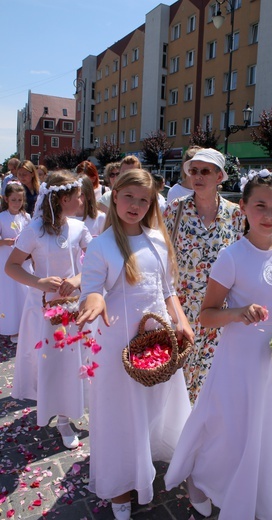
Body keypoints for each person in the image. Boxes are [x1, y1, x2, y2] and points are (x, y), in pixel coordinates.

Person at [165, 168, 272, 520]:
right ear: (243, 207)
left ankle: (259, 486)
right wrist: (238, 312)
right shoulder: (231, 256)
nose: (269, 215)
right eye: (260, 206)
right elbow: (206, 315)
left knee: (266, 424)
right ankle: (204, 476)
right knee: (231, 425)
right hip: (238, 356)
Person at [76, 169, 194, 520]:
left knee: (155, 407)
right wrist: (95, 300)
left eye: (144, 200)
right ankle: (119, 486)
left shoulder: (157, 239)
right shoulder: (102, 244)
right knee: (120, 416)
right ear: (114, 195)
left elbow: (167, 288)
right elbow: (92, 286)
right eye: (129, 196)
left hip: (156, 342)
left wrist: (181, 321)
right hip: (118, 346)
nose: (136, 205)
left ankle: (148, 464)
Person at [5, 172, 92, 449]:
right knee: (50, 362)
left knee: (71, 362)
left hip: (73, 306)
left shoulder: (78, 228)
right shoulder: (34, 230)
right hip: (43, 308)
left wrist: (78, 280)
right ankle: (52, 406)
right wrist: (39, 281)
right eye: (78, 195)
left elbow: (94, 260)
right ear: (64, 199)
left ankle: (65, 416)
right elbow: (12, 266)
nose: (82, 199)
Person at [163, 148, 244, 403]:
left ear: (219, 177)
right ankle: (174, 433)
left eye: (205, 171)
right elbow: (162, 256)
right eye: (193, 171)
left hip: (216, 309)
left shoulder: (235, 215)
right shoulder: (174, 209)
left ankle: (200, 431)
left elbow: (240, 260)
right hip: (181, 307)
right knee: (176, 373)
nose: (197, 176)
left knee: (209, 376)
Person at [0, 182, 31, 343]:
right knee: (10, 293)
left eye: (20, 200)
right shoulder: (1, 217)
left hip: (24, 259)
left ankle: (25, 326)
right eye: (13, 200)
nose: (17, 203)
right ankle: (12, 327)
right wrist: (5, 242)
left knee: (24, 290)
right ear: (6, 199)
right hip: (6, 257)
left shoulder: (26, 217)